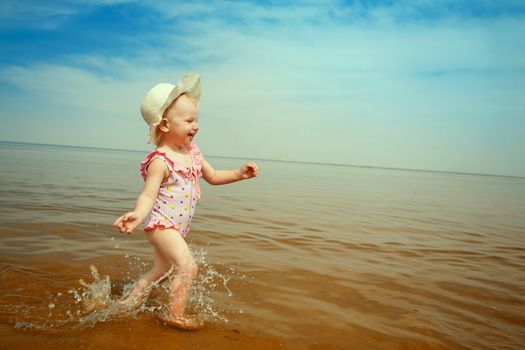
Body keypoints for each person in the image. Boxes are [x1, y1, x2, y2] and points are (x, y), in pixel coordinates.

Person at [113, 73, 258, 329]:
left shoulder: (192, 152)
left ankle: (126, 304)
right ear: (166, 125)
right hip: (161, 225)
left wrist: (239, 174)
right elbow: (148, 194)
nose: (196, 125)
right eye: (189, 120)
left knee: (160, 271)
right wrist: (137, 214)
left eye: (197, 119)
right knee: (188, 267)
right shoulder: (160, 160)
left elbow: (212, 176)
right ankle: (174, 315)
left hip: (177, 228)